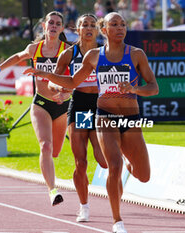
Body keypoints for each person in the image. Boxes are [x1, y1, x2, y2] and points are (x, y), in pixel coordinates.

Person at [23, 12, 159, 233]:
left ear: (97, 30)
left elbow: (154, 87)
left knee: (132, 171)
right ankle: (110, 218)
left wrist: (133, 88)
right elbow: (70, 81)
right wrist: (44, 75)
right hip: (94, 111)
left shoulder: (136, 54)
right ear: (104, 30)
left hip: (127, 117)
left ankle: (127, 163)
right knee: (93, 162)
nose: (120, 28)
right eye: (115, 24)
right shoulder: (87, 56)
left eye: (123, 24)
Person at [0, 11, 71, 207]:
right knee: (46, 146)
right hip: (41, 103)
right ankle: (53, 191)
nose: (53, 25)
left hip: (62, 105)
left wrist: (66, 94)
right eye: (50, 22)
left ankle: (50, 174)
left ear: (62, 28)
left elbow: (75, 79)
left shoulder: (67, 51)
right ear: (44, 26)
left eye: (57, 23)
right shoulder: (35, 49)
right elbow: (18, 56)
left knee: (56, 151)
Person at [54, 13, 107, 223]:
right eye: (84, 24)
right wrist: (59, 88)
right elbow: (55, 80)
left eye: (92, 25)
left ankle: (120, 156)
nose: (88, 28)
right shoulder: (69, 54)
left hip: (100, 106)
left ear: (97, 30)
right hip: (81, 106)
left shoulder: (106, 52)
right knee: (81, 161)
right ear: (78, 29)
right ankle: (84, 206)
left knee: (102, 160)